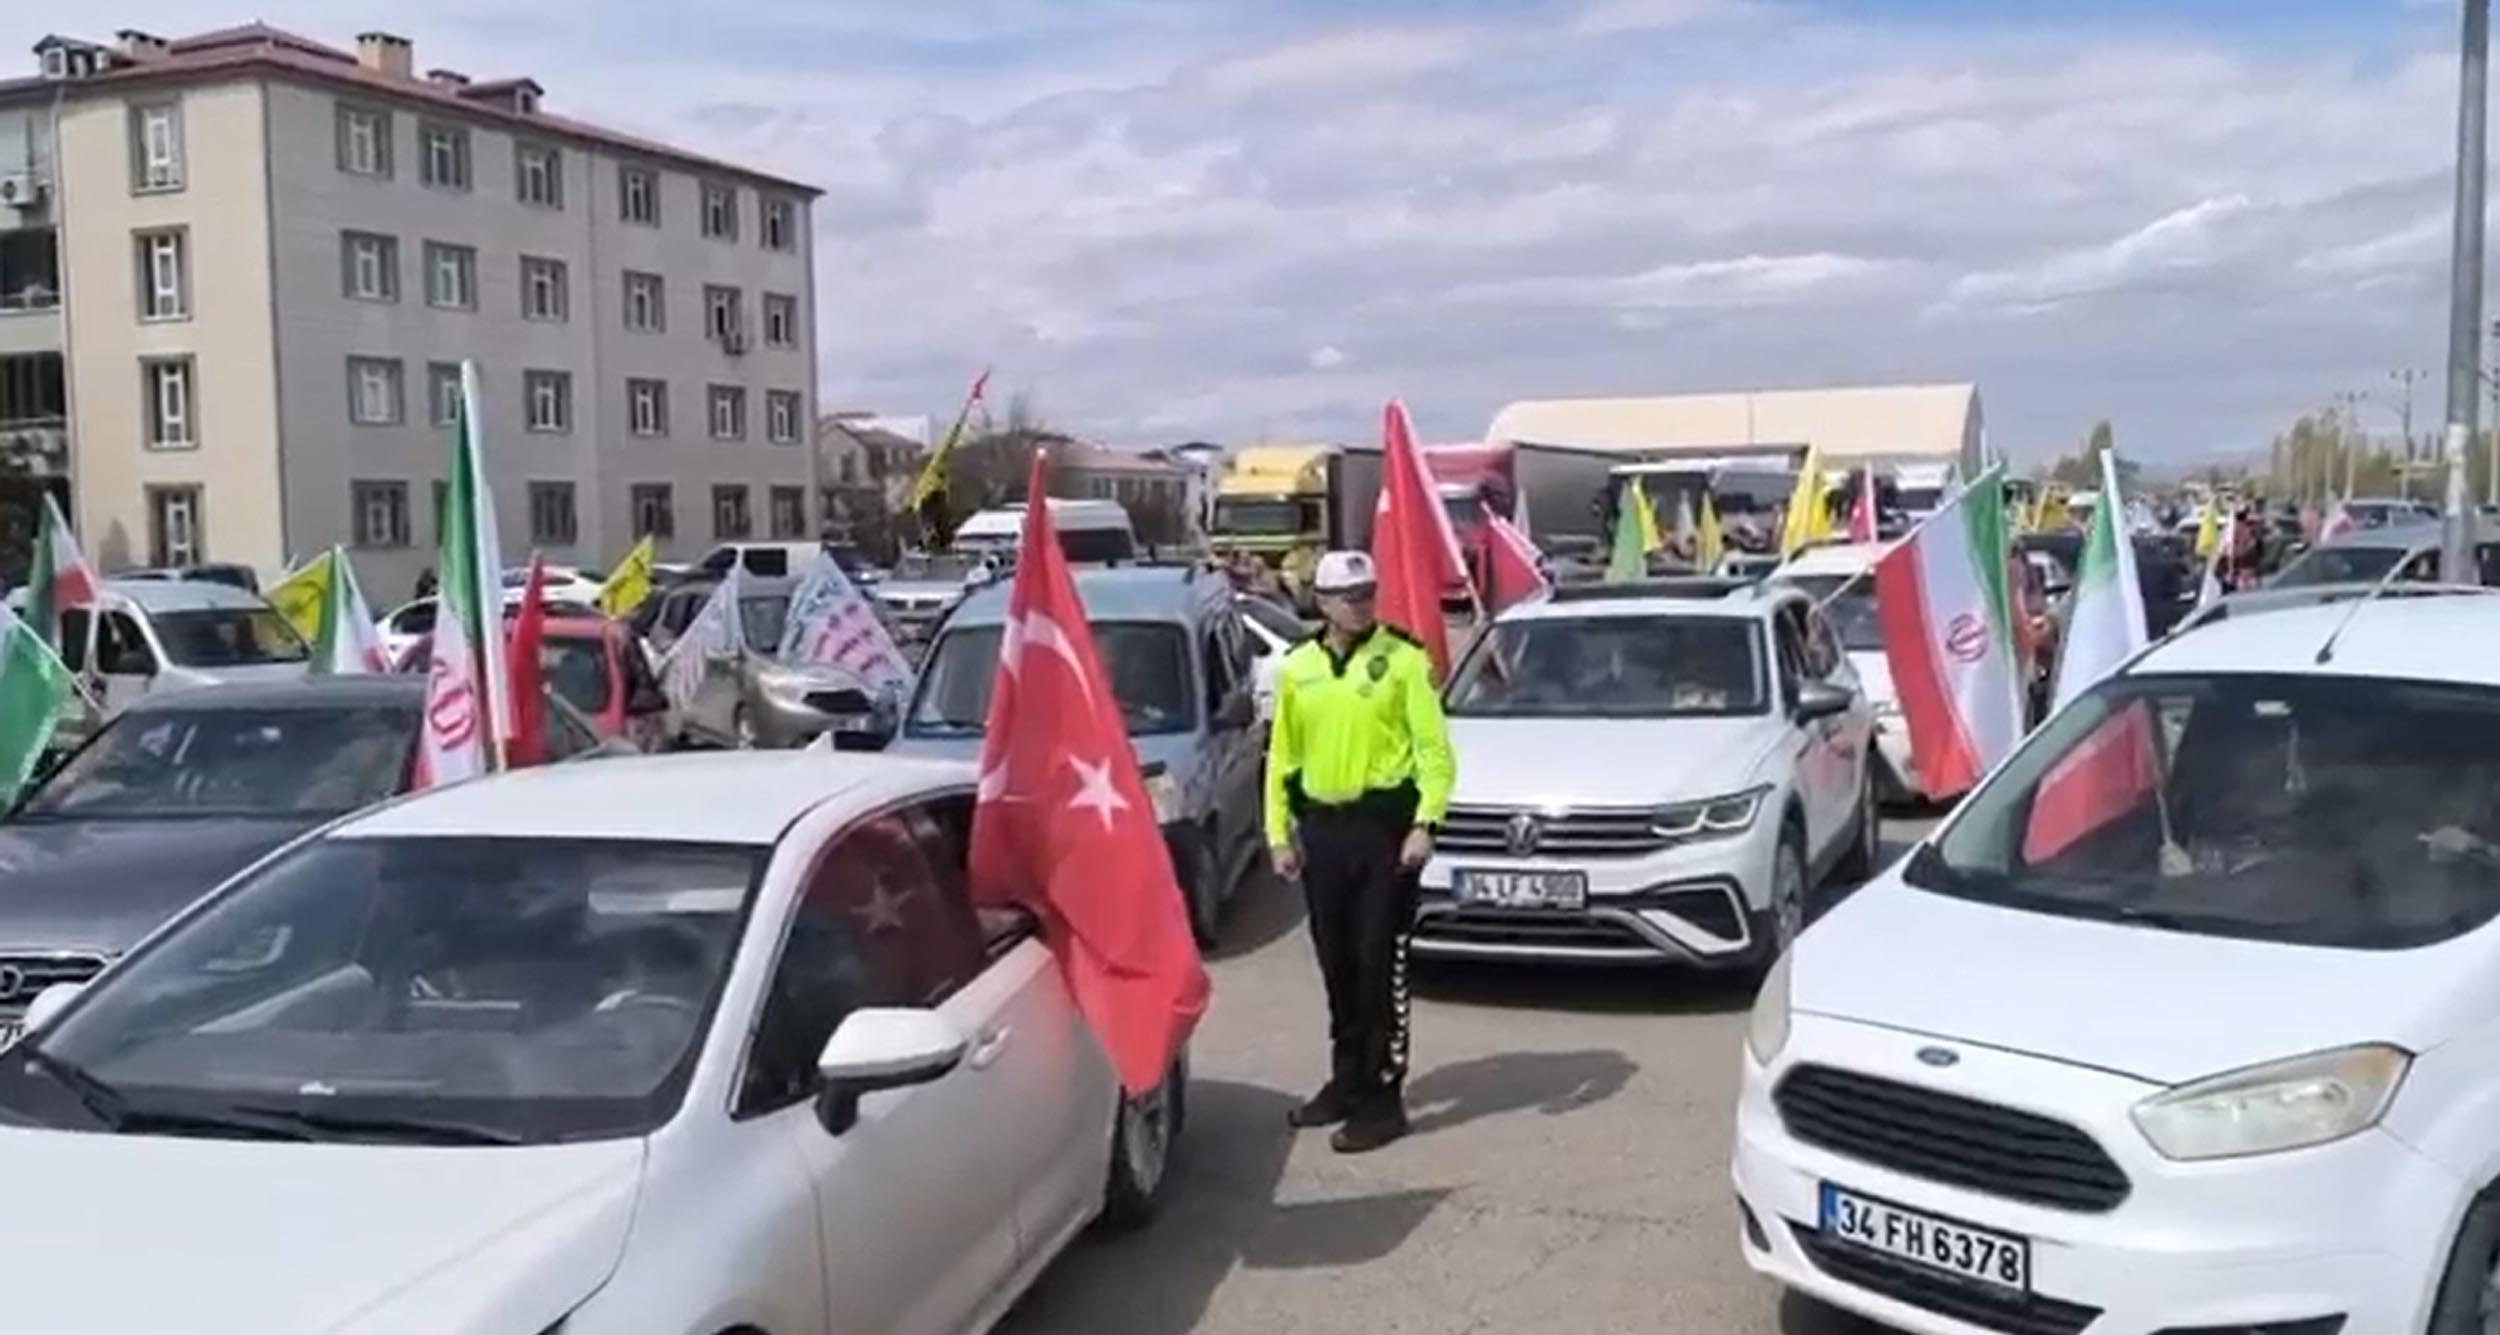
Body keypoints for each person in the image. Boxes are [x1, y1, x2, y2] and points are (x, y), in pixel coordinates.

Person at [1264, 550, 1455, 1153]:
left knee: (1379, 966)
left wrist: (1427, 823)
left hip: (1385, 834)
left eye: (1368, 593)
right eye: (1348, 596)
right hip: (1323, 832)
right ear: (1320, 603)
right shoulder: (1298, 668)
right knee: (1337, 965)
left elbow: (1434, 754)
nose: (1361, 604)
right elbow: (1282, 759)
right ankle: (1346, 1079)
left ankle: (1383, 1098)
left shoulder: (1402, 659)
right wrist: (1277, 834)